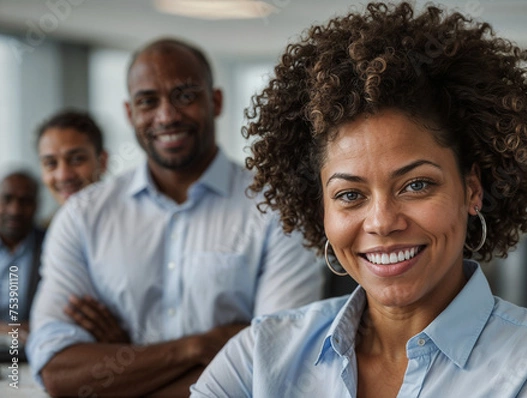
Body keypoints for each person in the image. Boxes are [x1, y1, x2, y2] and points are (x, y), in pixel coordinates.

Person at [190, 2, 527, 397]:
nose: (382, 222)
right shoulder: (259, 355)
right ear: (321, 211)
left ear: (472, 188)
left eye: (416, 185)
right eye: (350, 195)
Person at [27, 37, 324, 397]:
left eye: (184, 95)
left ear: (215, 101)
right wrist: (197, 347)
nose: (166, 116)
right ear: (129, 113)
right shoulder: (81, 216)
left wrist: (127, 363)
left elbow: (276, 365)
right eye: (148, 101)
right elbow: (58, 371)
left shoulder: (277, 207)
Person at [0, 171, 44, 343]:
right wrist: (7, 330)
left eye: (25, 201)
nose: (15, 210)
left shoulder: (51, 245)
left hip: (32, 346)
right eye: (7, 199)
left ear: (36, 205)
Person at [36, 109, 108, 207]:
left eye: (76, 159)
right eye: (51, 163)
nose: (63, 176)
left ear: (102, 162)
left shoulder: (128, 218)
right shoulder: (53, 222)